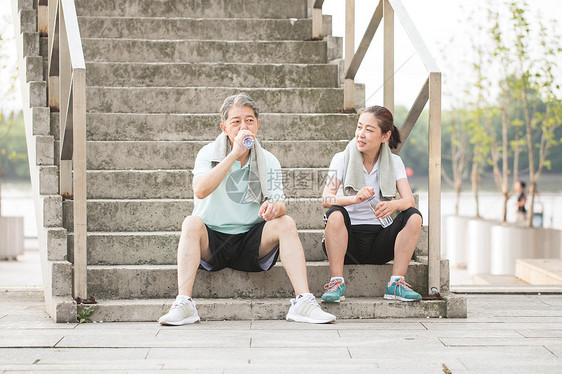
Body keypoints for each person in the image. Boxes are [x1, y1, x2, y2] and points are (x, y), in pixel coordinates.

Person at [159, 93, 336, 325]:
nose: (244, 126)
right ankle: (184, 303)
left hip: (252, 241)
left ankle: (303, 302)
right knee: (190, 223)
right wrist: (234, 154)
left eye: (249, 120)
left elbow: (281, 203)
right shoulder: (207, 153)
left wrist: (275, 209)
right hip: (214, 240)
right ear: (224, 127)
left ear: (258, 125)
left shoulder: (268, 160)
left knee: (287, 222)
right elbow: (200, 190)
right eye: (236, 121)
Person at [320, 105, 423, 303]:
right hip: (346, 242)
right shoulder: (341, 159)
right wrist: (354, 199)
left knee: (413, 215)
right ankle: (336, 282)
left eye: (369, 130)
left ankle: (396, 284)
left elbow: (409, 200)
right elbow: (326, 198)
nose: (361, 134)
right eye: (359, 127)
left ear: (385, 136)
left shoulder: (394, 162)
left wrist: (393, 206)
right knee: (335, 213)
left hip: (380, 242)